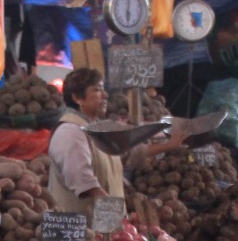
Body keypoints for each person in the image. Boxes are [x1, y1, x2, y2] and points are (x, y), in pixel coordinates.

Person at [47, 67, 182, 214]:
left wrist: (170, 145)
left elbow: (130, 153)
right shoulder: (70, 131)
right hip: (80, 230)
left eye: (103, 89)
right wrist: (112, 210)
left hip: (104, 228)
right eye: (97, 90)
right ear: (77, 98)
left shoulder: (97, 128)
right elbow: (81, 179)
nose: (105, 95)